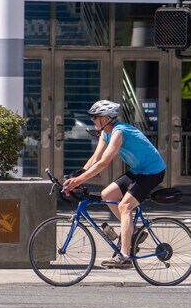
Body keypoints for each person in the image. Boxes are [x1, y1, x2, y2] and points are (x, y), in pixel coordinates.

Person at [63, 100, 166, 269]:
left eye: (95, 117)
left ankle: (125, 256)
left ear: (105, 119)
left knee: (125, 207)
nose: (92, 120)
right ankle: (133, 232)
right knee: (107, 195)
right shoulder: (106, 133)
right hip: (139, 169)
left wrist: (79, 181)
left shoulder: (119, 132)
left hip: (153, 171)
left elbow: (104, 162)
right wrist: (77, 175)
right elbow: (95, 158)